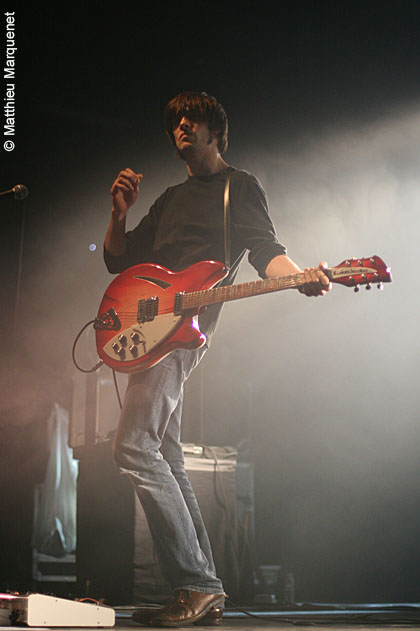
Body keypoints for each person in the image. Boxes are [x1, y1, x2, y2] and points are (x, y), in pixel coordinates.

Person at [103, 91, 331, 627]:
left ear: (214, 130)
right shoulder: (169, 198)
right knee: (164, 452)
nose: (182, 125)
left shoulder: (239, 187)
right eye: (175, 121)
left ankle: (196, 583)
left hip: (189, 329)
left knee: (131, 446)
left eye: (192, 118)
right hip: (152, 325)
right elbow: (119, 258)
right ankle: (205, 587)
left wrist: (300, 277)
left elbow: (265, 249)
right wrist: (119, 215)